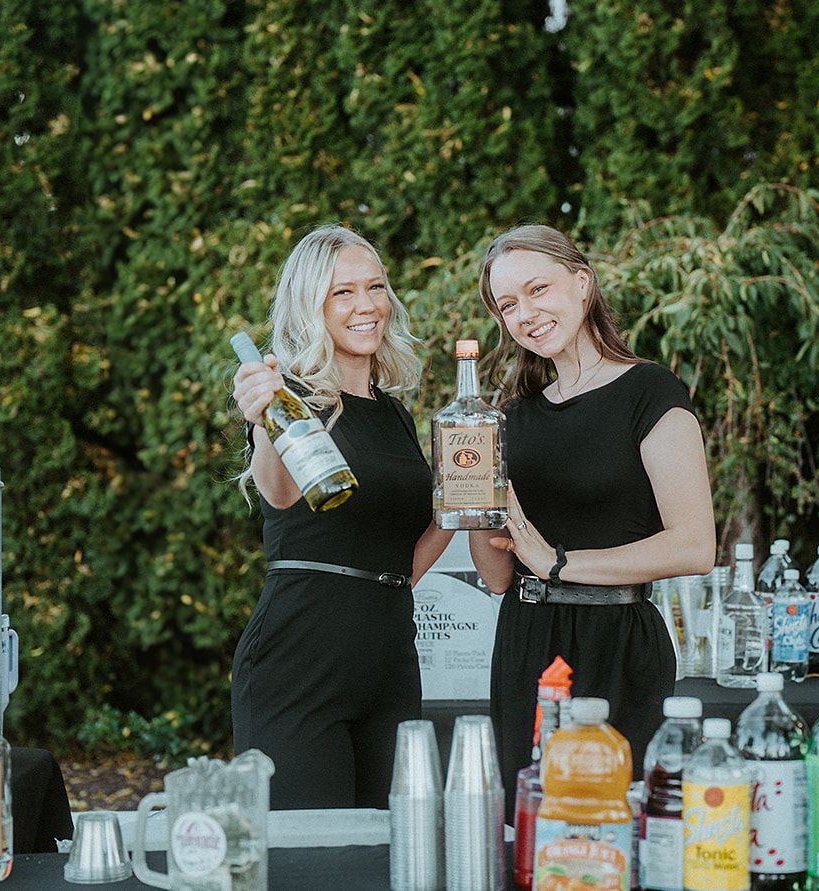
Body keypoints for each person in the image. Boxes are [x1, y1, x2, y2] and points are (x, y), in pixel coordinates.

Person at [470, 224, 717, 807]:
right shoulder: (513, 419)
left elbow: (694, 546)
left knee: (614, 826)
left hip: (618, 644)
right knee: (530, 830)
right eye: (508, 305)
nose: (525, 313)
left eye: (537, 289)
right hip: (526, 645)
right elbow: (498, 576)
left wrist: (559, 563)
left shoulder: (651, 393)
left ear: (582, 284)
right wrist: (470, 493)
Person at [230, 224, 451, 809]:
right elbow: (278, 493)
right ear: (311, 306)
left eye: (375, 287)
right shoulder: (290, 399)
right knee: (314, 856)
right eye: (342, 293)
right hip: (301, 657)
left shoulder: (395, 414)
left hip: (389, 654)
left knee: (390, 849)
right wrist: (262, 421)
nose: (366, 306)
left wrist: (463, 507)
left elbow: (406, 556)